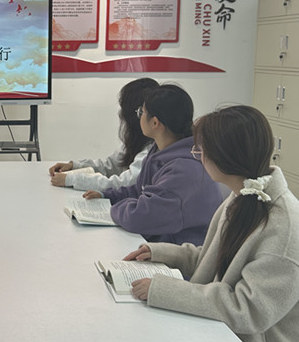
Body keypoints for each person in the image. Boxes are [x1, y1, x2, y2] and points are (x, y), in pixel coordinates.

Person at [126, 105, 299, 342]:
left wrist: (164, 289)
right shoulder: (244, 195)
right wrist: (162, 253)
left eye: (201, 150)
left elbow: (248, 309)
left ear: (225, 156)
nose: (198, 155)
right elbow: (213, 257)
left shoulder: (284, 227)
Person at [84, 84, 223, 245]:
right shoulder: (159, 150)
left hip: (180, 252)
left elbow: (140, 218)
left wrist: (112, 209)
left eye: (141, 112)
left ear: (155, 123)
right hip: (159, 241)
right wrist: (108, 196)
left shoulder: (183, 169)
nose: (139, 117)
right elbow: (140, 190)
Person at [49, 77, 159, 191]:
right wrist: (75, 166)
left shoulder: (151, 152)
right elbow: (110, 166)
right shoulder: (139, 141)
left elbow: (123, 184)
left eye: (143, 112)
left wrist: (72, 179)